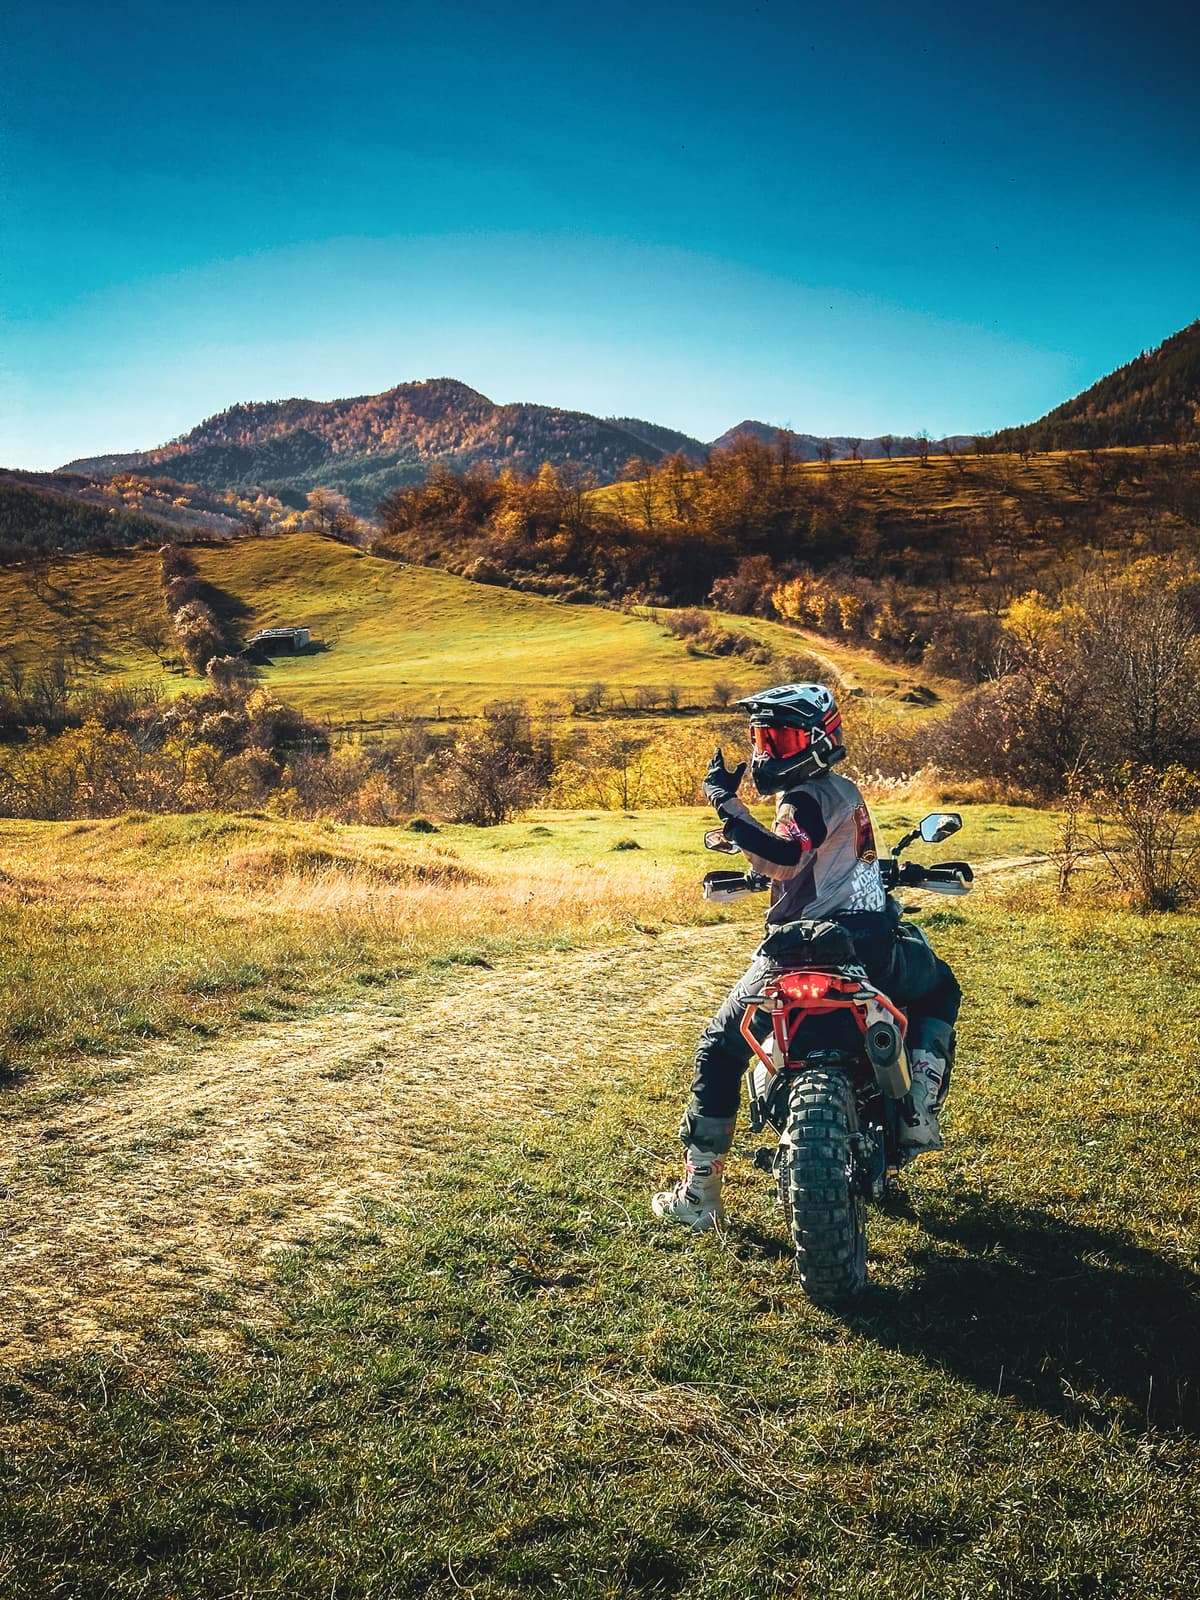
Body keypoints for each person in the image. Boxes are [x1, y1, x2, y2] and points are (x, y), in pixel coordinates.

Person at [651, 682, 961, 1232]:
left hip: (798, 950)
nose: (768, 751)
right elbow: (827, 861)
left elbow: (788, 856)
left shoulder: (804, 798)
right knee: (939, 988)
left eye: (783, 737)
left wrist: (723, 800)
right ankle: (916, 1110)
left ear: (819, 739)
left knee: (719, 1050)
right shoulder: (842, 791)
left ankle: (700, 1191)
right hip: (868, 944)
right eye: (762, 737)